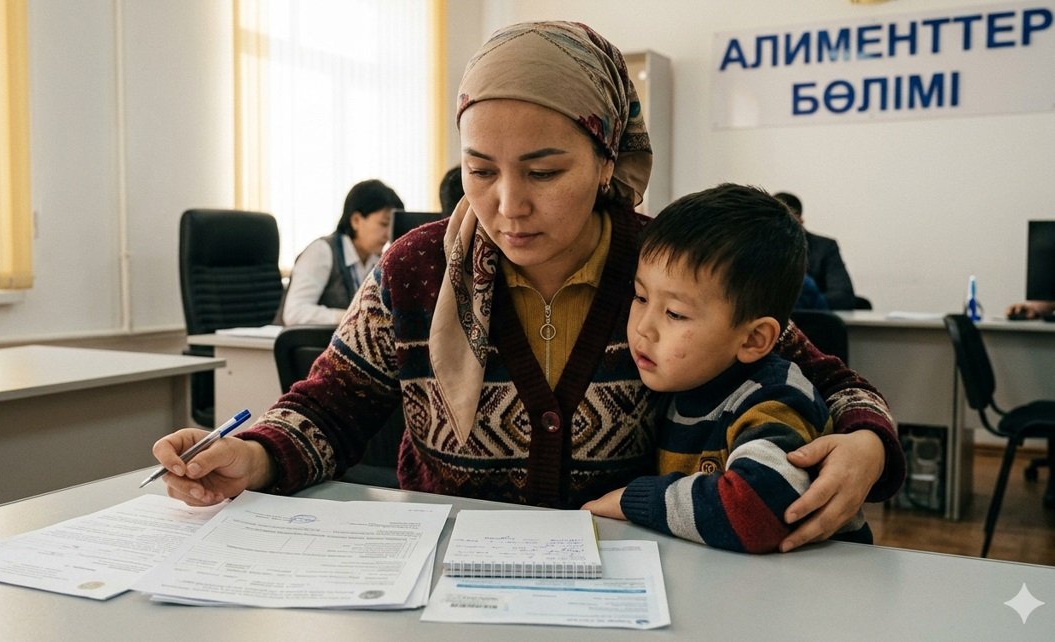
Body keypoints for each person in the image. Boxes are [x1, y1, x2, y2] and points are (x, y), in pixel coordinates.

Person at [153, 21, 904, 553]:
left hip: (633, 578)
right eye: (480, 171)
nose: (508, 206)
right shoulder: (415, 268)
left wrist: (867, 444)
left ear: (606, 160)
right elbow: (331, 405)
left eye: (544, 171)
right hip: (444, 575)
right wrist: (251, 455)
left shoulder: (667, 267)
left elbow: (826, 381)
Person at [583, 184, 872, 553]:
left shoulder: (775, 398)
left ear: (753, 339)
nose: (643, 327)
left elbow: (754, 511)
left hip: (822, 580)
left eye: (675, 313)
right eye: (640, 297)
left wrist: (635, 500)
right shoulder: (684, 382)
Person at [274, 179, 404, 325]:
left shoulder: (376, 259)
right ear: (356, 220)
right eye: (384, 224)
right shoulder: (322, 251)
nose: (388, 234)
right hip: (306, 339)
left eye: (392, 226)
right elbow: (295, 313)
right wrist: (353, 317)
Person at [773, 192, 857, 310]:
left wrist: (807, 301)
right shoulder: (763, 248)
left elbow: (843, 296)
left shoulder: (825, 247)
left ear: (799, 219)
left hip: (814, 318)